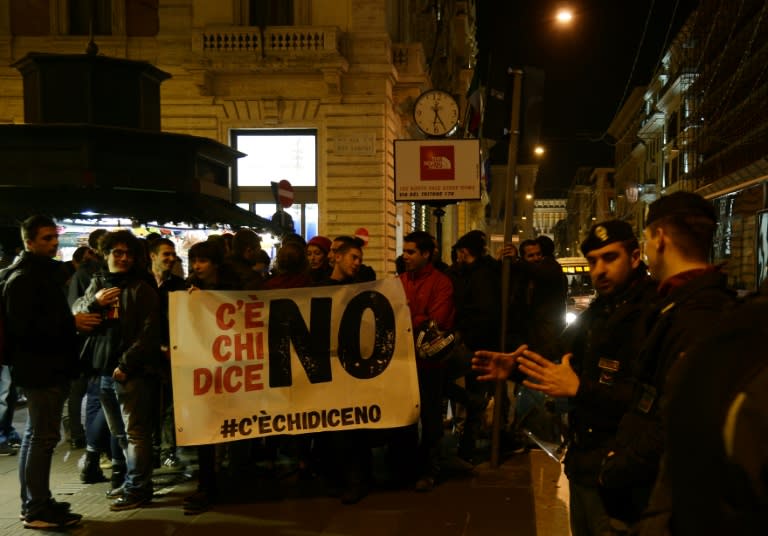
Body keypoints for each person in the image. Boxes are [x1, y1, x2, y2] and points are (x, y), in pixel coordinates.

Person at [474, 220, 657, 536]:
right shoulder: (602, 309)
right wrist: (513, 369)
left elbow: (650, 400)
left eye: (610, 258)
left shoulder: (652, 312)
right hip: (585, 461)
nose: (599, 270)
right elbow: (560, 350)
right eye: (593, 261)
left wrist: (580, 389)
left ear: (636, 257)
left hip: (622, 476)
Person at [599, 192, 735, 531]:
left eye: (645, 240)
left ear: (659, 239)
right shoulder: (686, 304)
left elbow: (675, 418)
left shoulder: (696, 314)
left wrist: (618, 465)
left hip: (661, 504)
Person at [3, 215, 101, 529]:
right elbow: (26, 329)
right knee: (42, 438)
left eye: (54, 237)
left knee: (37, 436)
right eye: (46, 238)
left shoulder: (37, 273)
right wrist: (71, 324)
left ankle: (36, 501)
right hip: (40, 368)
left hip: (44, 367)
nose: (54, 243)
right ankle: (36, 508)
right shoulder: (26, 277)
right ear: (28, 241)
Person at [73, 230, 163, 512]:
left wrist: (126, 364)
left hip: (129, 372)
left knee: (135, 433)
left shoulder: (141, 289)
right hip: (103, 369)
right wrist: (94, 302)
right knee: (120, 434)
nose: (123, 258)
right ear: (106, 254)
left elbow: (149, 332)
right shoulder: (99, 283)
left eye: (128, 254)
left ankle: (138, 487)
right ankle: (132, 481)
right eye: (117, 253)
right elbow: (78, 311)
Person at [398, 230, 455, 492]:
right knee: (405, 418)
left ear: (426, 254)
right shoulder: (399, 281)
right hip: (403, 363)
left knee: (431, 418)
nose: (405, 256)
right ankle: (407, 467)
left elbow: (438, 322)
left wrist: (411, 319)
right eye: (404, 250)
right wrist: (417, 318)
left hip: (430, 365)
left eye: (410, 252)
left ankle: (429, 469)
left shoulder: (441, 282)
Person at [449, 230, 501, 463]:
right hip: (477, 341)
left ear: (464, 252)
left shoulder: (479, 276)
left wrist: (464, 330)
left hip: (476, 343)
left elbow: (483, 311)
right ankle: (469, 447)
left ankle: (468, 449)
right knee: (472, 393)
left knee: (473, 394)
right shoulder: (479, 272)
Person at [147, 238, 186, 469]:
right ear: (153, 256)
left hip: (172, 354)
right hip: (148, 355)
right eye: (166, 255)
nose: (171, 259)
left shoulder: (179, 285)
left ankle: (166, 450)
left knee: (171, 405)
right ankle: (152, 451)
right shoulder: (140, 284)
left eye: (173, 255)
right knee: (151, 406)